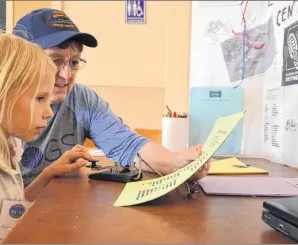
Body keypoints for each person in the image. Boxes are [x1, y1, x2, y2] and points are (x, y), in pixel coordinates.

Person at [13, 8, 211, 189]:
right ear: (22, 59)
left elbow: (128, 144)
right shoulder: (0, 108)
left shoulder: (81, 98)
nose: (66, 75)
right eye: (56, 61)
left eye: (74, 62)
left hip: (60, 210)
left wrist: (176, 163)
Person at [0, 29, 97, 244]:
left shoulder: (7, 147)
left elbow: (11, 211)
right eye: (39, 98)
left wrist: (48, 174)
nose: (48, 112)